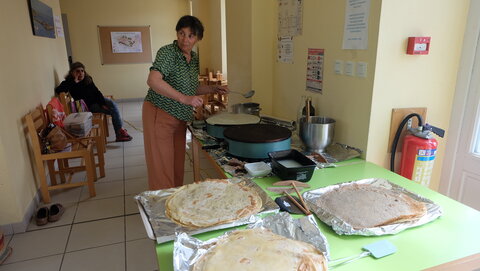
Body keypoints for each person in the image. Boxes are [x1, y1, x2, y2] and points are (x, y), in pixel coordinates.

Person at [143, 15, 227, 190]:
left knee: (176, 163)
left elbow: (190, 87)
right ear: (177, 33)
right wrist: (184, 99)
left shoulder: (193, 58)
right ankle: (162, 208)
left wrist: (212, 89)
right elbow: (153, 80)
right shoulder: (168, 52)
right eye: (182, 33)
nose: (185, 39)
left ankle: (174, 201)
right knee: (161, 166)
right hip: (160, 113)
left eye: (191, 35)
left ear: (198, 38)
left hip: (180, 119)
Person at [55, 62, 133, 142]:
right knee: (114, 111)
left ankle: (120, 131)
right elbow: (58, 90)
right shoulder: (69, 82)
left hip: (97, 101)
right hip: (89, 106)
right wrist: (74, 81)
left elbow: (97, 92)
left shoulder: (88, 79)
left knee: (113, 104)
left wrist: (102, 103)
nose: (80, 73)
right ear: (72, 72)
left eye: (82, 71)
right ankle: (120, 132)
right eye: (77, 71)